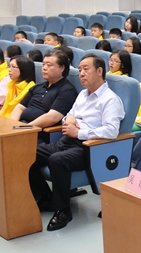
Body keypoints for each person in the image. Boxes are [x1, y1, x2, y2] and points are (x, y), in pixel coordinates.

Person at [28, 55, 125, 231]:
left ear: (99, 71)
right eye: (79, 70)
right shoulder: (82, 94)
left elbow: (111, 131)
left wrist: (79, 133)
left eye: (86, 69)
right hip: (66, 141)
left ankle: (63, 210)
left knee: (57, 160)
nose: (81, 73)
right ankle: (47, 198)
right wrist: (69, 119)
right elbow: (68, 116)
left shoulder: (110, 99)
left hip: (88, 148)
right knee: (28, 154)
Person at [11, 51, 77, 135]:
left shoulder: (67, 90)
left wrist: (24, 128)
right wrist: (13, 125)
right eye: (43, 64)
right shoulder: (37, 87)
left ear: (62, 68)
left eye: (49, 65)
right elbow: (20, 107)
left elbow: (52, 117)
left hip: (37, 132)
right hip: (20, 128)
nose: (44, 68)